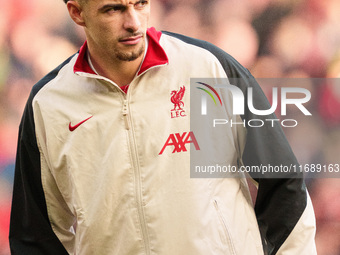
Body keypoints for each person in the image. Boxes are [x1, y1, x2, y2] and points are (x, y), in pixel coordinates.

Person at [9, 0, 317, 254]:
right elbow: (35, 237)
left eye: (140, 4)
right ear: (77, 12)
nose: (133, 22)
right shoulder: (47, 105)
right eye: (113, 9)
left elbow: (284, 183)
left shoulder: (209, 67)